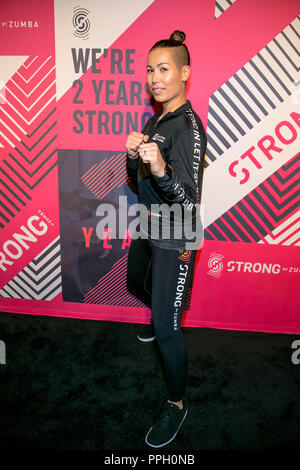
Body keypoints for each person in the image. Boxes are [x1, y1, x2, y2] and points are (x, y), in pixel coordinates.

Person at [125, 30, 207, 448]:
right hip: (148, 224)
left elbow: (189, 199)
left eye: (163, 69)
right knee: (134, 281)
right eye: (149, 70)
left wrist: (160, 170)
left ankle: (176, 405)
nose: (154, 78)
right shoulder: (155, 119)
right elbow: (134, 178)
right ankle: (163, 314)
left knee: (169, 328)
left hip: (177, 234)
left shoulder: (189, 127)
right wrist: (132, 155)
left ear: (184, 73)